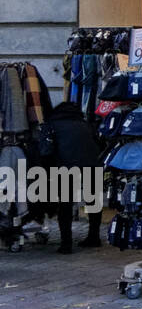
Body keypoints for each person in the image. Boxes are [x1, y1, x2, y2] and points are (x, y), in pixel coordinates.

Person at [40, 101, 104, 253]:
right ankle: (94, 237)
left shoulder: (51, 124)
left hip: (66, 164)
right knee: (94, 201)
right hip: (93, 162)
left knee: (65, 204)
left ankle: (66, 244)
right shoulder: (84, 123)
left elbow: (45, 151)